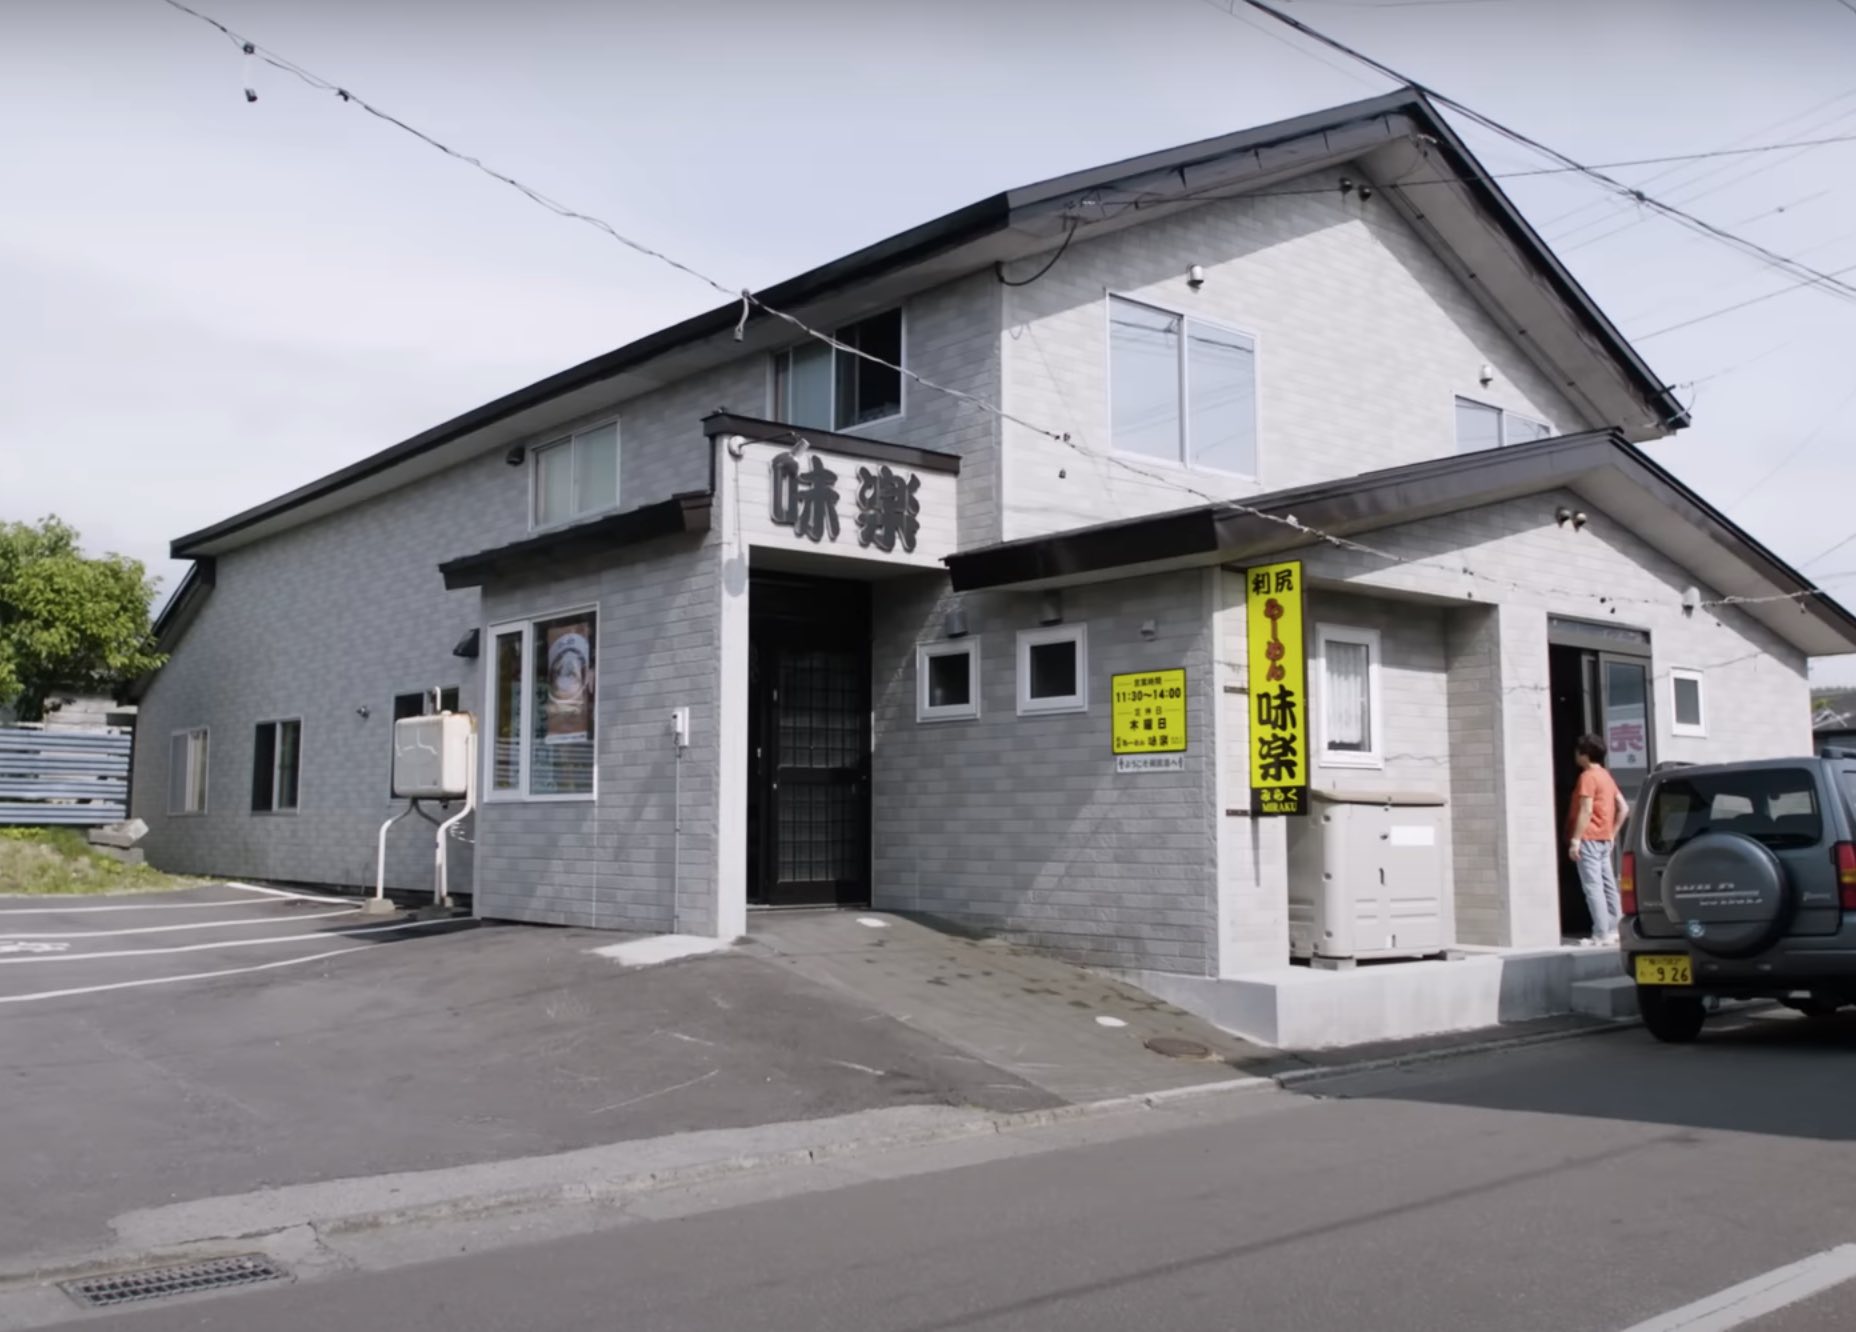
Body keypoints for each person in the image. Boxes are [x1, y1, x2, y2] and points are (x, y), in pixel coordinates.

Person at [1567, 734, 1630, 946]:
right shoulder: (1606, 776)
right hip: (1604, 839)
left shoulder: (1588, 777)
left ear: (1584, 755)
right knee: (1608, 885)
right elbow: (1624, 808)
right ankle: (1614, 929)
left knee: (1592, 887)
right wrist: (1612, 833)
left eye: (1578, 751)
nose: (1576, 755)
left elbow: (1586, 809)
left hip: (1589, 838)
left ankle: (1600, 933)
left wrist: (1576, 840)